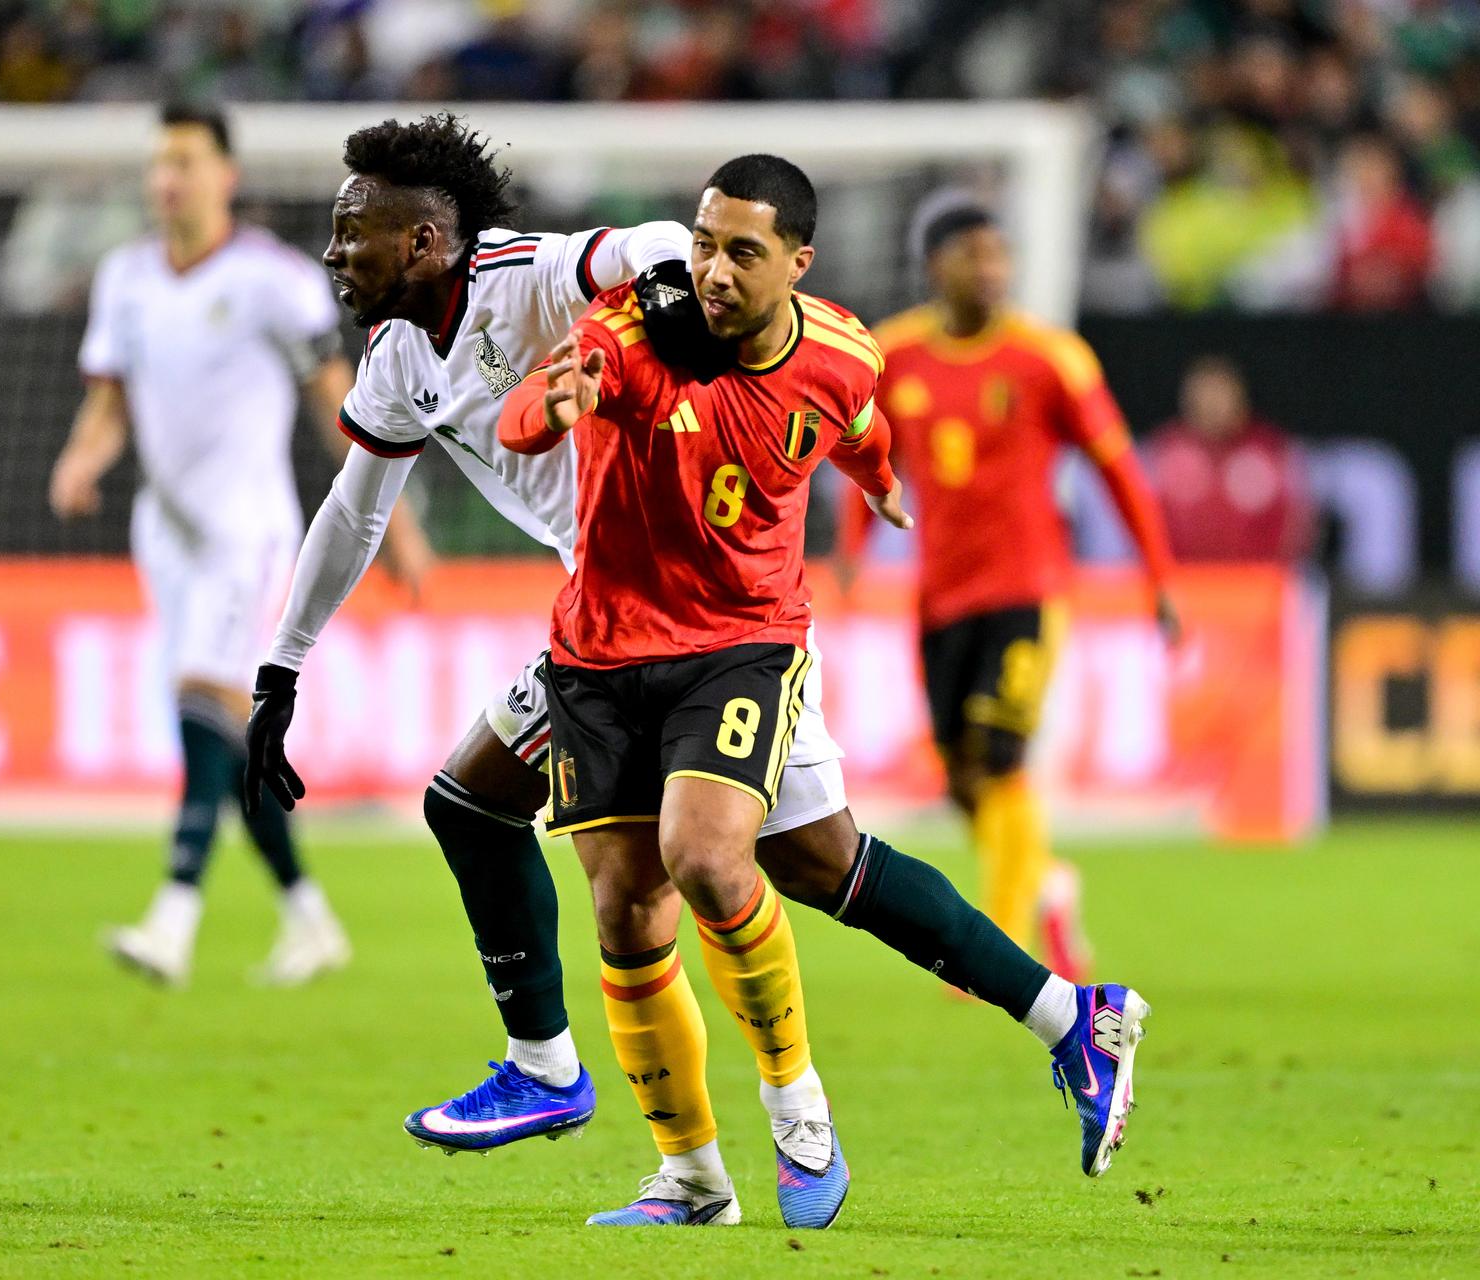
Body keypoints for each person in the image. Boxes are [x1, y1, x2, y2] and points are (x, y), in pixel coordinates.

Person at [246, 117, 1150, 1188]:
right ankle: (622, 1116)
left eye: (355, 229)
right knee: (525, 822)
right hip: (610, 619)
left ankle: (820, 1090)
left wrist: (688, 293)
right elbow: (355, 511)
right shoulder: (401, 358)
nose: (335, 250)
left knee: (764, 861)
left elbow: (651, 251)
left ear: (427, 240)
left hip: (724, 617)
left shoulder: (530, 275)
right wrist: (282, 666)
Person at [498, 154, 1150, 1226]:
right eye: (704, 242)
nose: (711, 270)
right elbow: (540, 406)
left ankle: (797, 1108)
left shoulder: (845, 351)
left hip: (742, 644)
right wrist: (548, 407)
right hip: (603, 651)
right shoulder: (630, 328)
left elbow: (859, 429)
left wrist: (883, 484)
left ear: (797, 263)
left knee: (705, 856)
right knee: (659, 900)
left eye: (741, 252)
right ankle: (698, 1176)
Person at [50, 102, 427, 989]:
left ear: (227, 174)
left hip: (246, 528)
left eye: (183, 160)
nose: (165, 179)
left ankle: (173, 919)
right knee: (217, 734)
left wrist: (395, 525)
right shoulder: (125, 279)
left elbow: (345, 406)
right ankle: (309, 917)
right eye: (158, 162)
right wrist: (81, 457)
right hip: (165, 533)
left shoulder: (275, 279)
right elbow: (110, 402)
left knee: (202, 702)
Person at [859, 193, 1181, 983]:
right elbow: (863, 453)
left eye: (1000, 255)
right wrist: (853, 547)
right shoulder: (892, 355)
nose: (994, 270)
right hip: (939, 594)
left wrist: (1159, 574)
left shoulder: (1050, 359)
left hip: (1028, 588)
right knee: (960, 777)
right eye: (976, 255)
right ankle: (1048, 886)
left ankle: (998, 947)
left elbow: (1118, 470)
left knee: (1001, 757)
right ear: (937, 264)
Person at [1148, 355, 1314, 564]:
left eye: (1220, 395)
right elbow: (1144, 519)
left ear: (1240, 398)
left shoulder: (1269, 450)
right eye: (1204, 396)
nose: (1213, 405)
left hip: (1257, 580)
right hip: (1182, 579)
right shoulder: (1166, 451)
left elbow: (1298, 522)